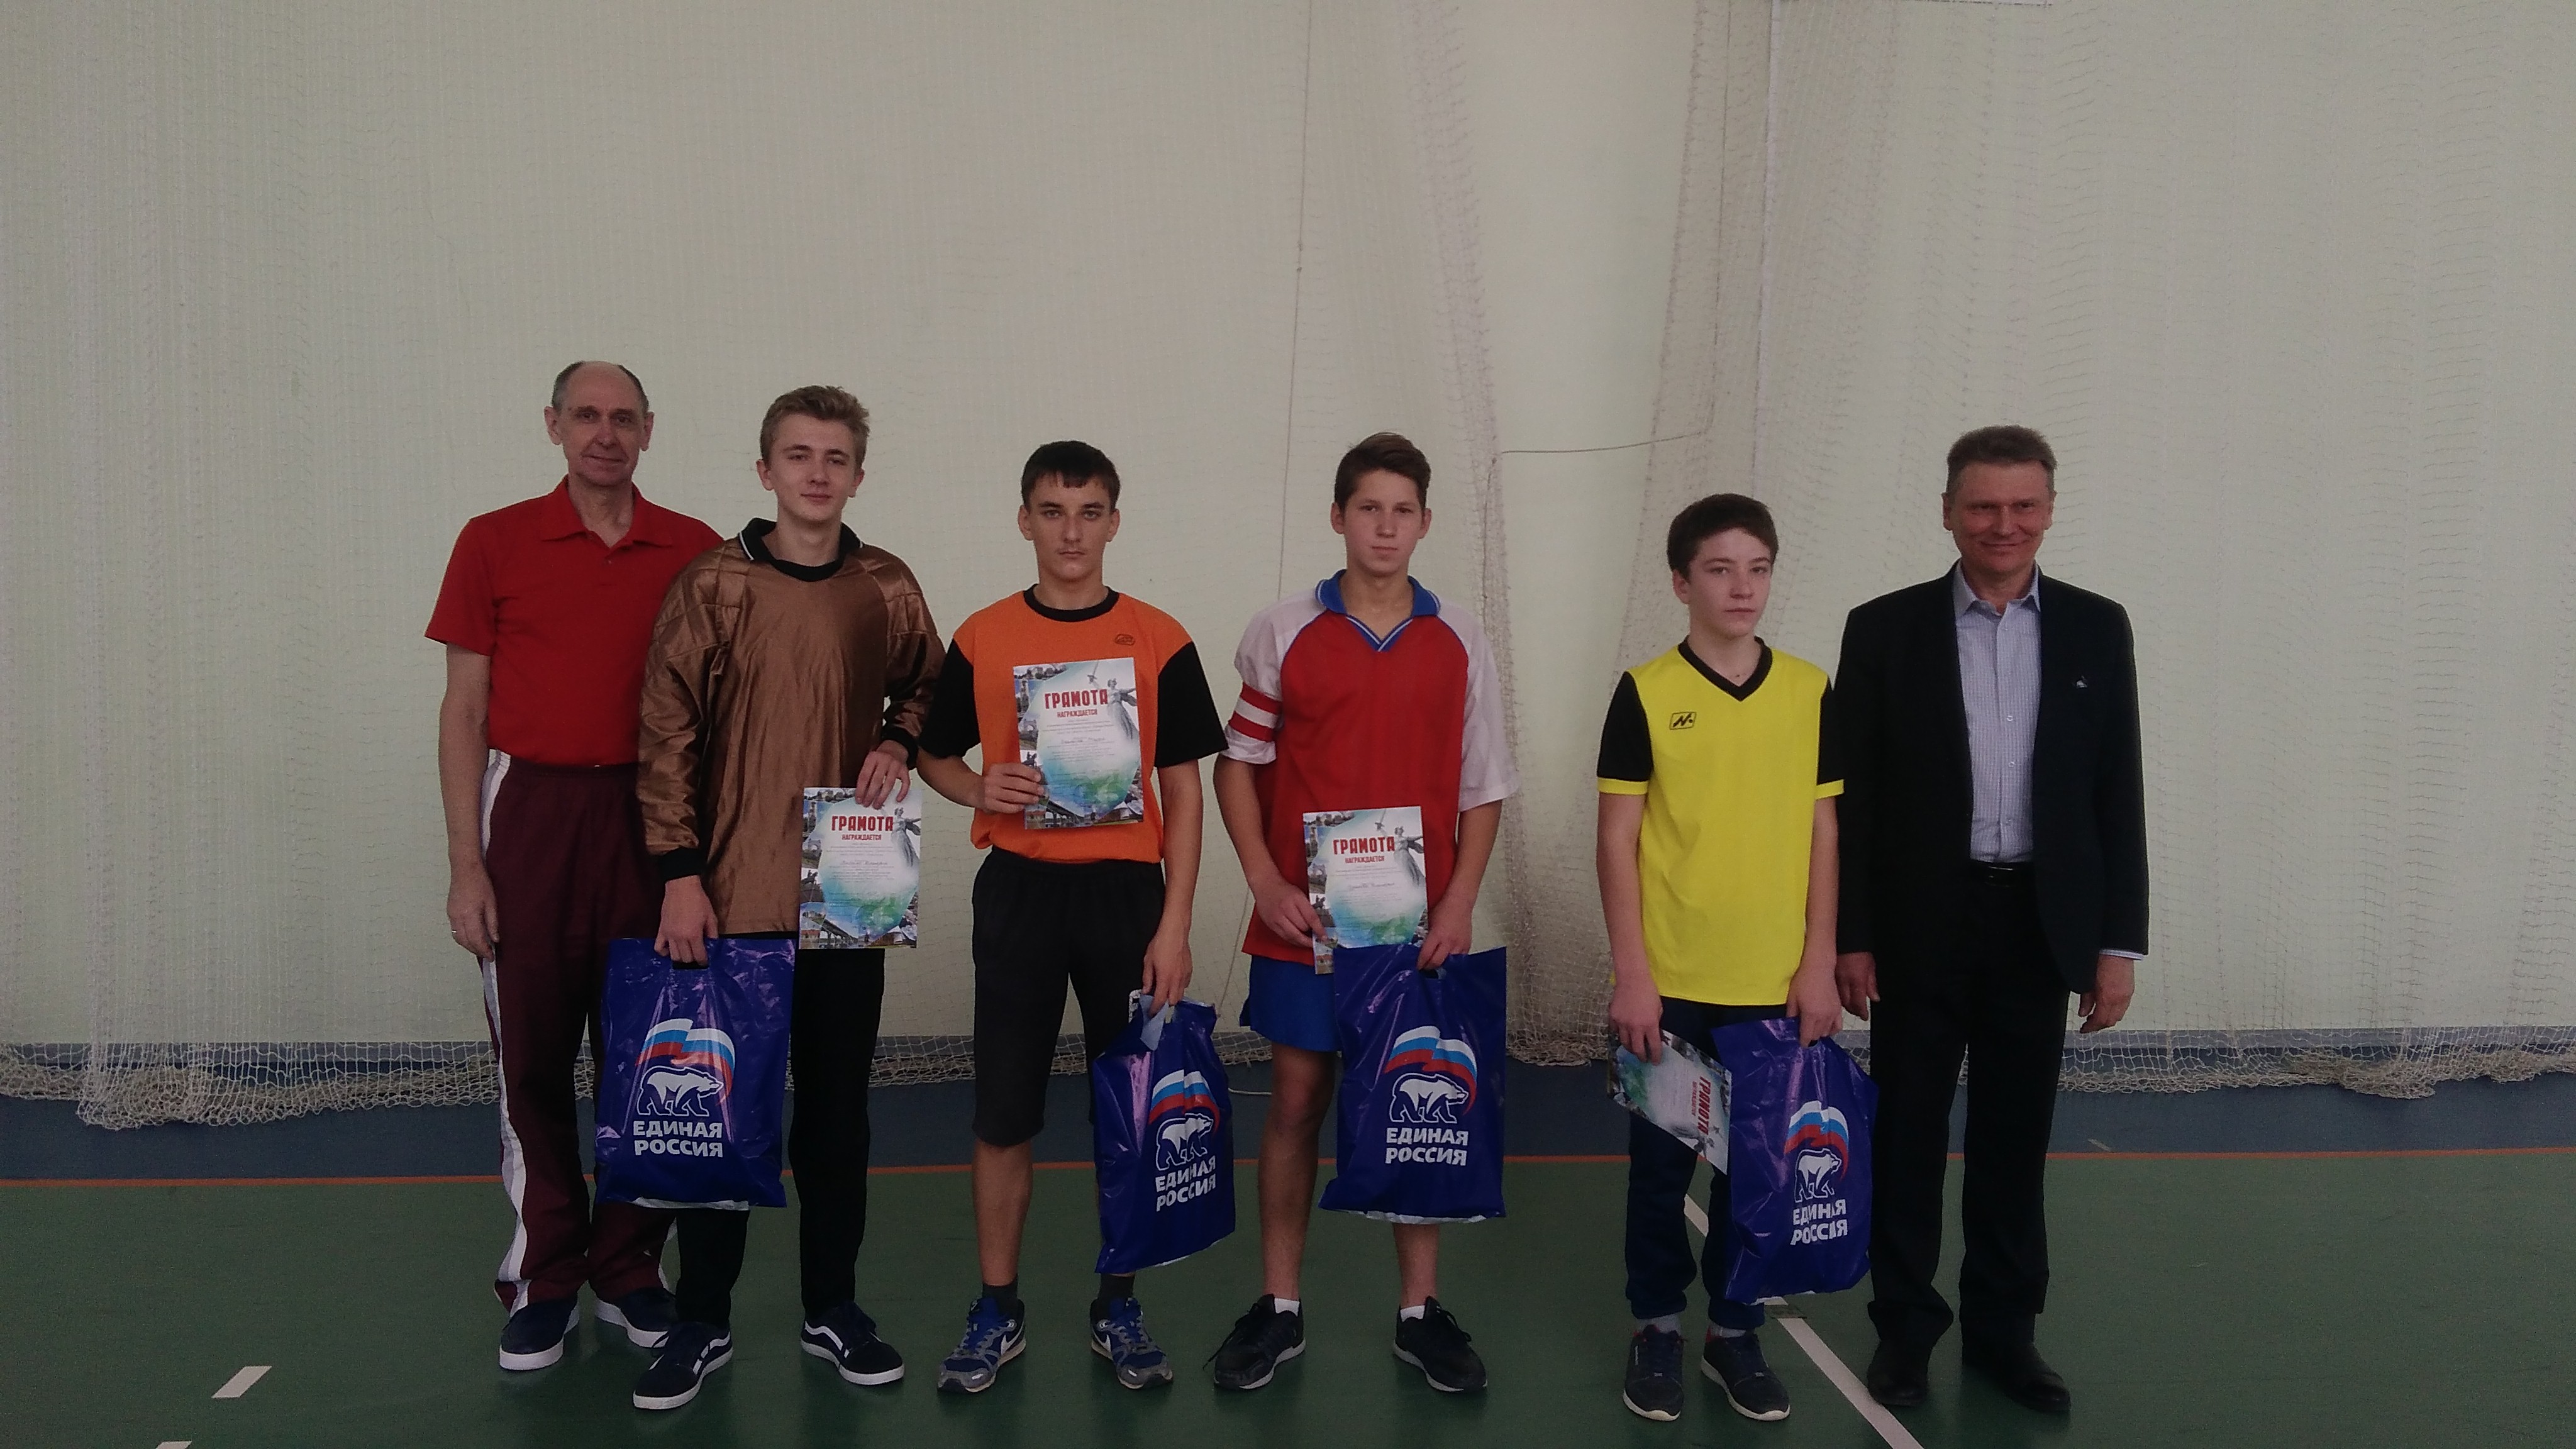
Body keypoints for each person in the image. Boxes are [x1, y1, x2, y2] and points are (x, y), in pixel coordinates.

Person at [626, 385, 942, 1410]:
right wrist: (679, 874)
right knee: (722, 1116)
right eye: (798, 455)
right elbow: (666, 731)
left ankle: (832, 1307)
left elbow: (932, 686)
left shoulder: (886, 584)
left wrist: (897, 740)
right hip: (730, 897)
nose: (817, 472)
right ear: (765, 470)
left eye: (835, 457)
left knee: (838, 1118)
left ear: (859, 474)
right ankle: (702, 1318)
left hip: (848, 894)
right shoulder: (713, 584)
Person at [1833, 425, 2146, 1414]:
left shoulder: (2097, 627)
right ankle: (1904, 1333)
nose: (2003, 524)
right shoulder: (1883, 629)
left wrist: (2116, 944)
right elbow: (1853, 798)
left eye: (2022, 506)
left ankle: (2006, 1337)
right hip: (1922, 924)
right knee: (1907, 1135)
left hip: (2039, 927)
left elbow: (2118, 792)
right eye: (1983, 506)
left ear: (2048, 511)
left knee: (2015, 1142)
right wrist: (1851, 934)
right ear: (1948, 513)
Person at [1205, 433, 1519, 1396]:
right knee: (1297, 1101)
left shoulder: (1461, 636)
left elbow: (1484, 787)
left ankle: (1420, 1314)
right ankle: (1280, 1306)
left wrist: (1459, 901)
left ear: (1425, 523)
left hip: (1418, 927)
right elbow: (1237, 765)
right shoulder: (1282, 630)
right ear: (1339, 517)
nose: (1385, 526)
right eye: (1368, 508)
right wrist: (1264, 878)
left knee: (1413, 1105)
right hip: (1306, 922)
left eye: (1403, 510)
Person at [912, 440, 1224, 1394]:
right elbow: (933, 755)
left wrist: (1174, 926)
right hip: (1021, 891)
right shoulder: (983, 635)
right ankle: (997, 1307)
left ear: (1114, 523)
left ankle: (1117, 1305)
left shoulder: (1160, 638)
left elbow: (1185, 791)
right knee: (1005, 1108)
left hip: (1127, 900)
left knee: (1129, 1108)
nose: (1072, 531)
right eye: (1053, 511)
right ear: (1025, 521)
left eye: (1090, 512)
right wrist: (980, 787)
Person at [427, 361, 720, 1372]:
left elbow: (723, 708)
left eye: (623, 418)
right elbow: (465, 709)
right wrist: (468, 868)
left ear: (649, 431)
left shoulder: (692, 548)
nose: (606, 433)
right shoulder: (493, 540)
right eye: (587, 416)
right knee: (534, 1059)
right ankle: (546, 1274)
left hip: (652, 819)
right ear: (553, 425)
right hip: (533, 818)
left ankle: (630, 1267)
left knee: (651, 1057)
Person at [1595, 494, 1844, 1424]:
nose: (1743, 587)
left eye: (1758, 568)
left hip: (1773, 986)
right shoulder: (1645, 690)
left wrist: (1818, 961)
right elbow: (1616, 838)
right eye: (1720, 569)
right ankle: (1657, 1327)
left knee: (1757, 1176)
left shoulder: (1810, 689)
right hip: (1670, 986)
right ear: (1680, 582)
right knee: (1660, 1177)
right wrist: (1633, 973)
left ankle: (1734, 1333)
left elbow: (1825, 831)